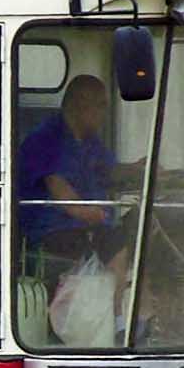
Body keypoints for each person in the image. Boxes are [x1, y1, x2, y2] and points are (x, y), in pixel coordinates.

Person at [16, 75, 140, 276]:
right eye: (100, 105)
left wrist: (142, 169)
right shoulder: (44, 139)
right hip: (52, 234)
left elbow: (110, 170)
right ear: (80, 104)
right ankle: (115, 307)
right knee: (114, 244)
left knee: (148, 227)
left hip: (89, 227)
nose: (104, 113)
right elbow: (58, 188)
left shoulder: (90, 142)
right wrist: (87, 212)